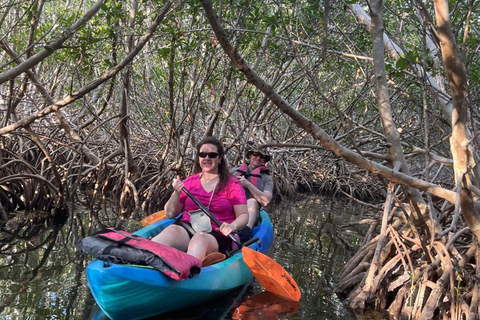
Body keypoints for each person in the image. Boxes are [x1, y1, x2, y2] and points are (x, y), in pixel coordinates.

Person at [152, 136, 248, 264]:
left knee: (200, 238)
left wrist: (232, 226)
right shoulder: (189, 182)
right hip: (188, 227)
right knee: (171, 230)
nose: (207, 158)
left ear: (219, 158)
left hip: (217, 233)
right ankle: (147, 259)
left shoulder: (232, 184)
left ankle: (187, 268)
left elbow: (243, 215)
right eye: (203, 154)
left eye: (212, 155)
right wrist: (176, 193)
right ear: (198, 158)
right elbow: (170, 213)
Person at [231, 148, 273, 241]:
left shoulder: (267, 178)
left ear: (264, 160)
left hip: (250, 211)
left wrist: (247, 184)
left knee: (252, 202)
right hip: (233, 207)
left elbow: (265, 201)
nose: (258, 158)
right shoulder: (234, 171)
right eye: (255, 154)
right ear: (250, 155)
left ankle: (246, 231)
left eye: (262, 157)